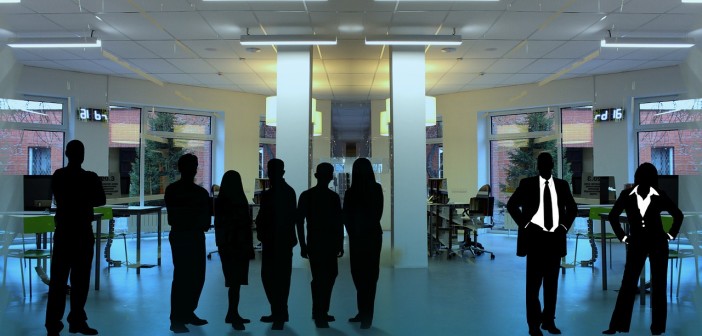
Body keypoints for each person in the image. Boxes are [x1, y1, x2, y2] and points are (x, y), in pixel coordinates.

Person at [602, 162, 683, 335]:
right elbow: (678, 215)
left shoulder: (628, 195)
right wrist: (669, 236)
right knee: (656, 285)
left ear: (637, 177)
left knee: (629, 284)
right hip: (654, 243)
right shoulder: (658, 195)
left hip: (641, 243)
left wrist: (623, 238)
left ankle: (617, 326)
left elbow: (613, 216)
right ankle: (657, 328)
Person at [506, 152, 578, 336]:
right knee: (534, 286)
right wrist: (526, 224)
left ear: (551, 166)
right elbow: (511, 205)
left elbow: (572, 209)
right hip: (535, 241)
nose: (545, 167)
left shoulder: (562, 185)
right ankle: (534, 324)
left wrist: (562, 227)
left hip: (553, 240)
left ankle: (548, 321)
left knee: (550, 285)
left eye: (548, 164)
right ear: (539, 166)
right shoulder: (527, 184)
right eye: (543, 164)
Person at [45, 140, 106, 336]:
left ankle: (53, 325)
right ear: (82, 156)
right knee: (80, 281)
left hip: (63, 233)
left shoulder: (59, 175)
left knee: (58, 281)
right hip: (82, 233)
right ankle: (77, 320)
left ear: (66, 153)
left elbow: (58, 196)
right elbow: (100, 200)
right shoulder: (90, 177)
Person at [164, 153, 211, 333]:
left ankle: (184, 314)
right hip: (191, 236)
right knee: (191, 277)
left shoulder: (172, 190)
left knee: (186, 277)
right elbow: (205, 222)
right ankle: (179, 317)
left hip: (182, 235)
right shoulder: (200, 193)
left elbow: (173, 217)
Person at [296, 162, 344, 328]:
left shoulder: (307, 195)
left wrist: (302, 244)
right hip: (327, 242)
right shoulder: (333, 197)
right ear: (330, 177)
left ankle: (319, 311)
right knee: (327, 276)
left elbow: (299, 222)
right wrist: (339, 243)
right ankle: (320, 312)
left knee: (320, 278)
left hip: (315, 242)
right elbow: (338, 223)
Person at [255, 158, 297, 330]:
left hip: (275, 240)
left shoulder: (270, 195)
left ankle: (279, 313)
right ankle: (279, 311)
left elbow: (264, 217)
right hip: (282, 240)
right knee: (279, 277)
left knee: (273, 277)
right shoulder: (288, 192)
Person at [343, 157, 384, 329]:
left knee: (358, 274)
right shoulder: (376, 188)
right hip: (372, 237)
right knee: (370, 276)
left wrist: (354, 232)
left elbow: (346, 216)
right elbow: (378, 213)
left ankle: (364, 314)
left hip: (358, 238)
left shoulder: (351, 192)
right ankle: (365, 315)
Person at [214, 170, 255, 331]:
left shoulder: (220, 201)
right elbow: (244, 226)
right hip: (239, 246)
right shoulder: (239, 201)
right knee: (236, 283)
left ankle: (233, 313)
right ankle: (232, 314)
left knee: (233, 282)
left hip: (227, 246)